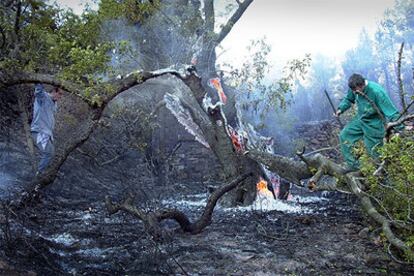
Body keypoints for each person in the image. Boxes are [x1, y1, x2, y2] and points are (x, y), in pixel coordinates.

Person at [335, 73, 403, 171]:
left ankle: (380, 174)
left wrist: (401, 127)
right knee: (344, 135)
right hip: (360, 118)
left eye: (355, 90)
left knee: (374, 151)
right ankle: (354, 167)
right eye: (353, 90)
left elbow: (391, 112)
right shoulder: (354, 87)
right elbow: (349, 99)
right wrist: (340, 109)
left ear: (361, 85)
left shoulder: (376, 91)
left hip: (374, 123)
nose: (354, 92)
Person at [31, 84, 63, 175]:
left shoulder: (54, 103)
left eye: (62, 94)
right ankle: (39, 175)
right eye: (59, 93)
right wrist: (39, 82)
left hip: (47, 134)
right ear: (53, 91)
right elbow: (38, 92)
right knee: (49, 153)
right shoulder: (44, 96)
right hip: (39, 131)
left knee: (51, 153)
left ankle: (40, 173)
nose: (61, 96)